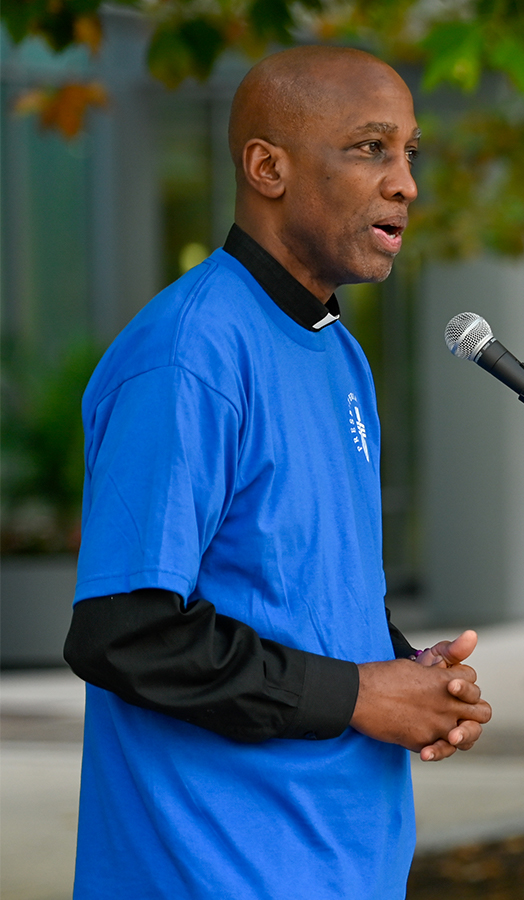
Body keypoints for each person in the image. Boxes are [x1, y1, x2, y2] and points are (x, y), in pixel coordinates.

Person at [63, 47, 490, 898]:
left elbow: (302, 594)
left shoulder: (339, 352)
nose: (405, 181)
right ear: (268, 167)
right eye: (371, 147)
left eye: (411, 151)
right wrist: (361, 696)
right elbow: (126, 632)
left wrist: (407, 673)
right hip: (213, 872)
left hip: (345, 862)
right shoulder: (188, 354)